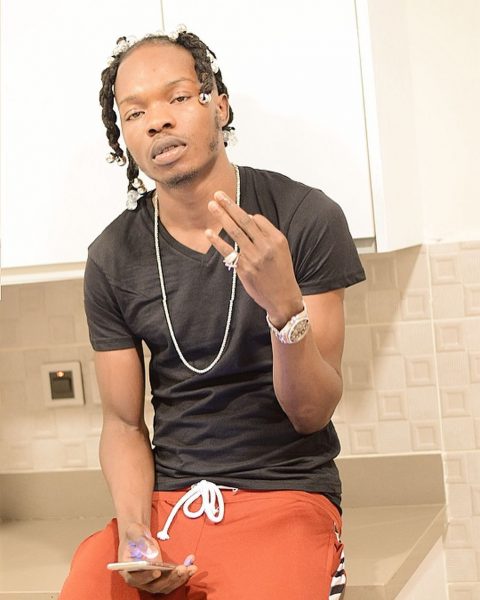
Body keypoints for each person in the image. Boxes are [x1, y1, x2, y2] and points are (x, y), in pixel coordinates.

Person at [60, 25, 365, 600]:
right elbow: (123, 424)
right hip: (167, 506)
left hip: (286, 498)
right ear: (124, 137)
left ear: (218, 105)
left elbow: (311, 412)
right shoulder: (112, 256)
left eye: (177, 97)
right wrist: (135, 533)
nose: (157, 121)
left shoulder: (303, 217)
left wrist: (284, 307)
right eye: (134, 113)